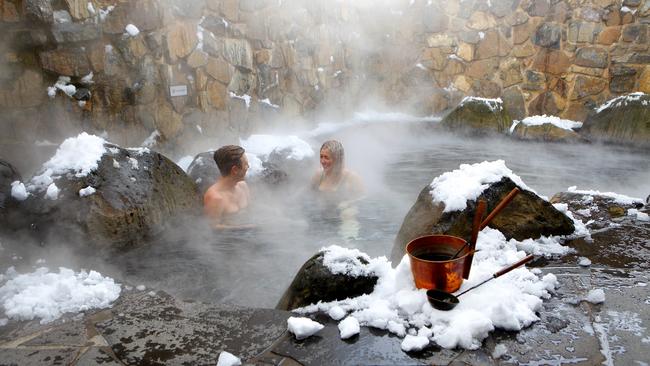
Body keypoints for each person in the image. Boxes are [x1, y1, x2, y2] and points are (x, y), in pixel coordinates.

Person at [204, 145, 252, 229]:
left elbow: (251, 211)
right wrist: (244, 228)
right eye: (246, 164)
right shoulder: (215, 197)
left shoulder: (243, 186)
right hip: (229, 239)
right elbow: (213, 228)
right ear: (235, 170)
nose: (248, 167)